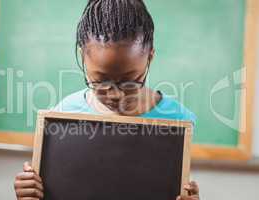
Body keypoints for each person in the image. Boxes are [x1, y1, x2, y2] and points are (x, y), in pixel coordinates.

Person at [14, 0, 200, 199]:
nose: (115, 95)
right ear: (83, 57)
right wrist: (31, 192)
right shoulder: (63, 116)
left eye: (130, 81)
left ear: (150, 57)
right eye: (100, 81)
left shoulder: (177, 119)